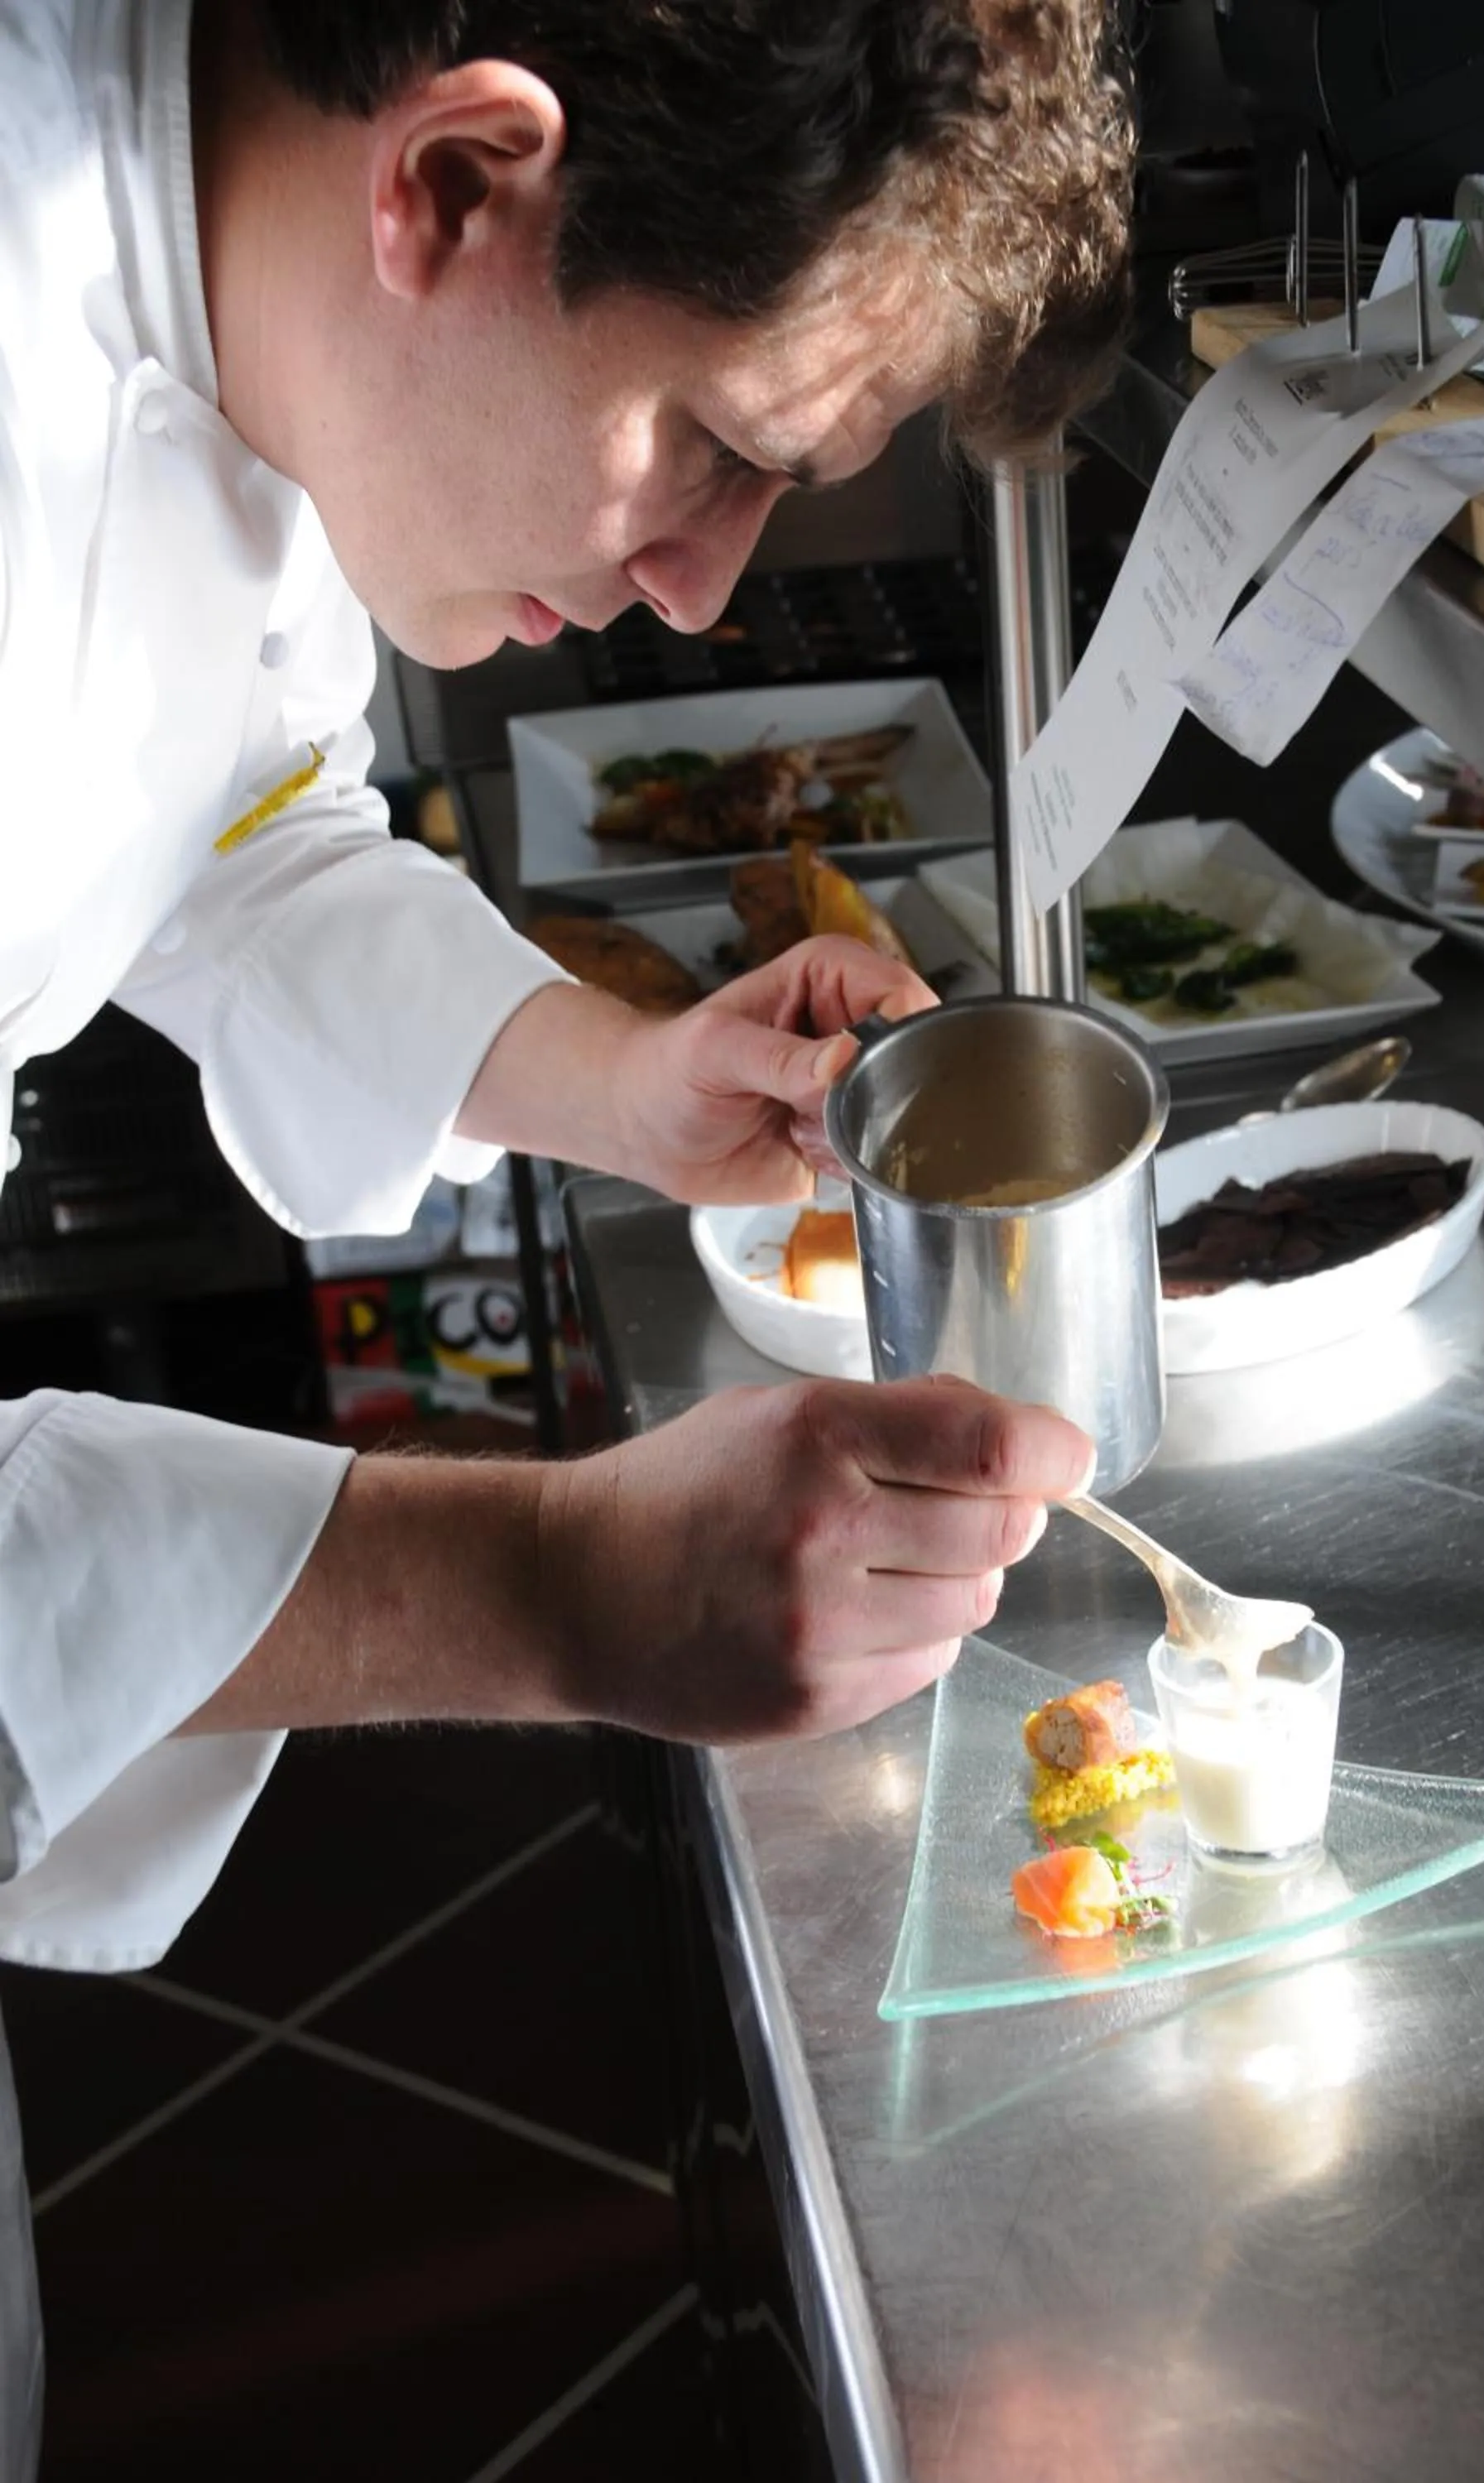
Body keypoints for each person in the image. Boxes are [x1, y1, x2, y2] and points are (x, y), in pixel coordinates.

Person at [0, 0, 1134, 2464]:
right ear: (450, 188)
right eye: (719, 450)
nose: (712, 593)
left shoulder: (233, 271)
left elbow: (213, 820)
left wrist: (616, 1079)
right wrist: (542, 1594)